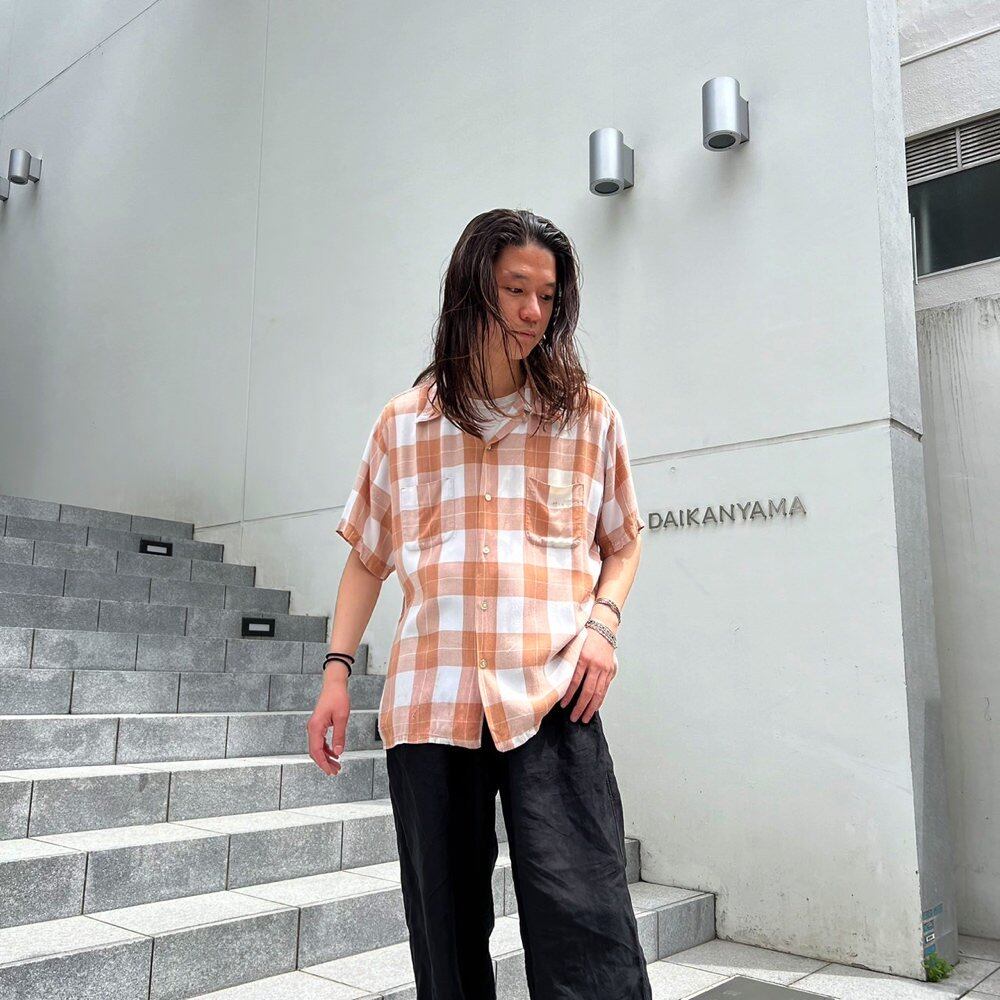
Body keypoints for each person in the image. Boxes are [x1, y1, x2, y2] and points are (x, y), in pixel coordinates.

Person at [307, 208, 650, 999]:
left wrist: (603, 627)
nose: (534, 312)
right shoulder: (403, 425)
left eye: (548, 296)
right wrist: (335, 673)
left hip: (555, 694)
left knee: (587, 924)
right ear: (472, 290)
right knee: (446, 934)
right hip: (432, 701)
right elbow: (367, 557)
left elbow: (625, 540)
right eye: (515, 289)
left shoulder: (587, 416)